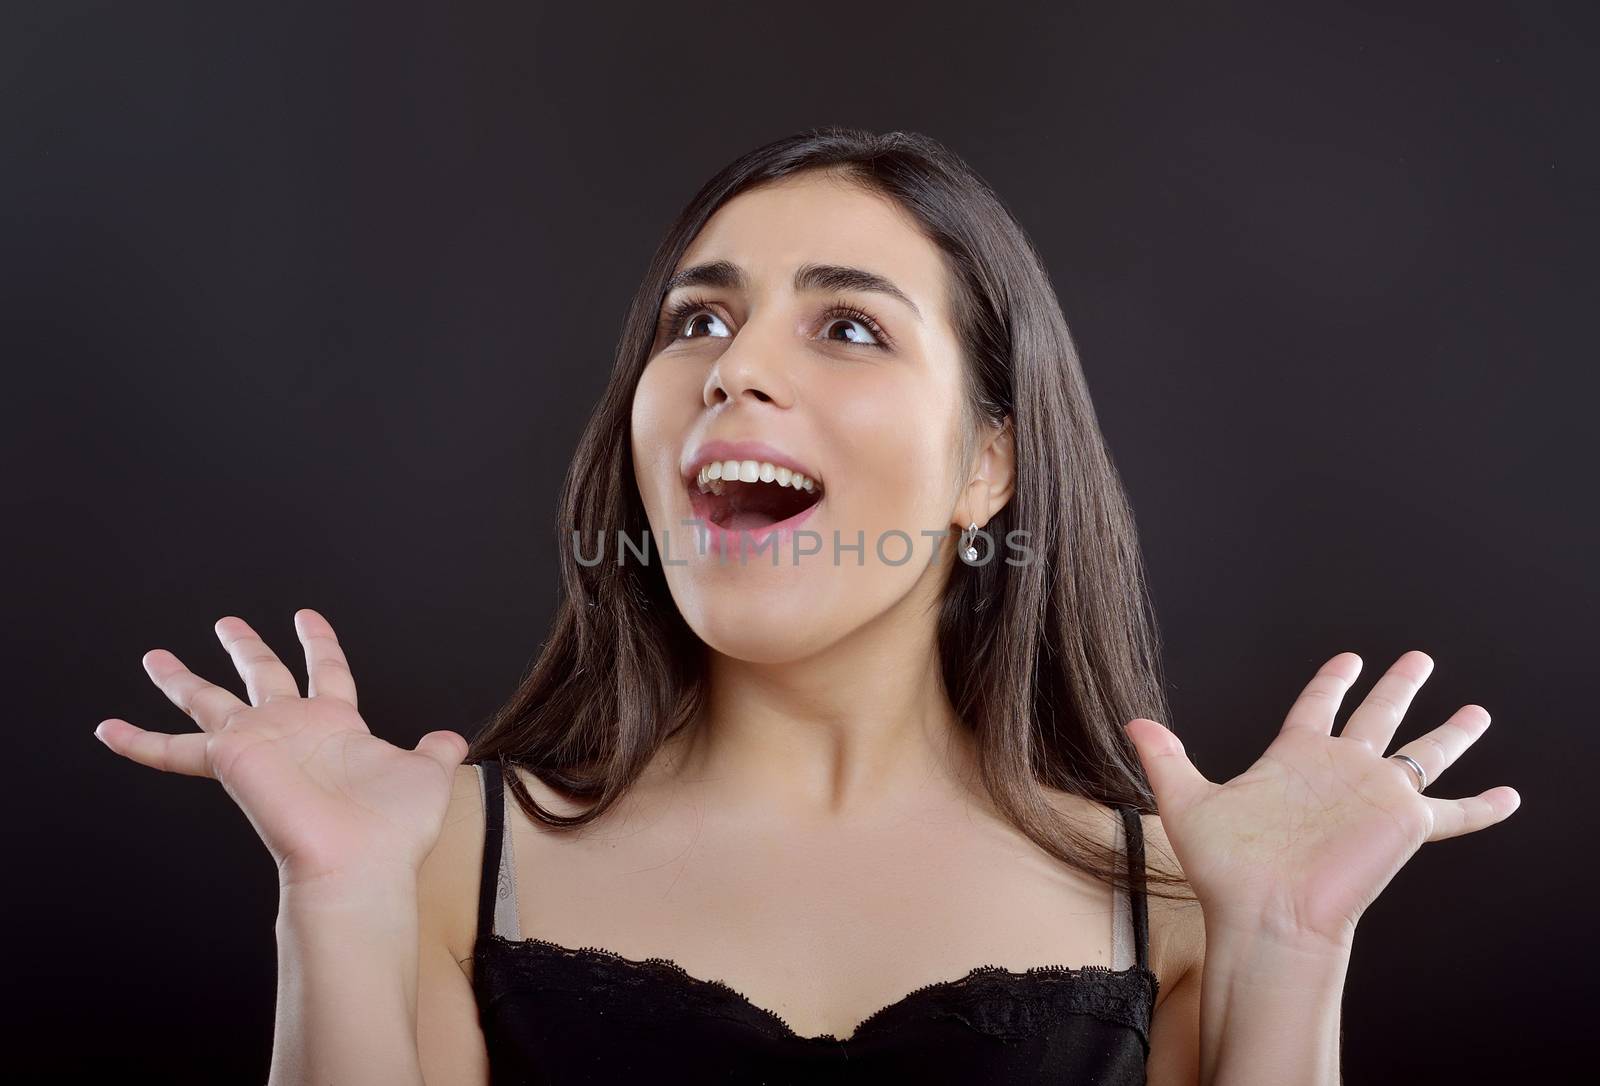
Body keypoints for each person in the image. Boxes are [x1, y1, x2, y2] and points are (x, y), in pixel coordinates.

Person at [93, 128, 1520, 1085]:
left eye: (846, 325)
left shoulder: (1181, 900)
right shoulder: (440, 851)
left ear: (986, 464)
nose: (732, 369)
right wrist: (332, 904)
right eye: (698, 320)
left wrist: (1286, 944)